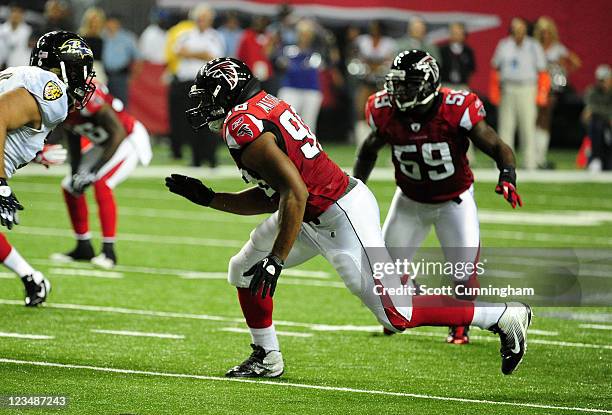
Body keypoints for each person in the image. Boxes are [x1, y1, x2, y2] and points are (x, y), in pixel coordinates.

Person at [165, 57, 532, 378]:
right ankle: (267, 356)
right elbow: (278, 194)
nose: (202, 104)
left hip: (340, 215)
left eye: (208, 95)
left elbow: (295, 193)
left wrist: (277, 260)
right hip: (311, 212)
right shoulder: (261, 107)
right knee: (243, 269)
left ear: (228, 92)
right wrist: (212, 198)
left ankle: (501, 316)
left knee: (397, 315)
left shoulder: (242, 126)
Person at [353, 49, 523, 344]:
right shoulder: (384, 110)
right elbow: (368, 150)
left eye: (409, 84)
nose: (399, 91)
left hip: (453, 201)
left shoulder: (456, 107)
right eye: (396, 83)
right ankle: (412, 299)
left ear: (429, 83)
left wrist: (507, 175)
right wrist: (356, 188)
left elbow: (497, 145)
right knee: (384, 272)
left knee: (463, 272)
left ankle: (461, 324)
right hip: (408, 201)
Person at [0, 30, 95, 306]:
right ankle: (32, 277)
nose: (83, 79)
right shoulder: (51, 91)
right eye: (78, 71)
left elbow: (12, 124)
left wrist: (33, 153)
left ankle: (31, 278)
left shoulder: (18, 74)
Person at [50, 80, 152, 268]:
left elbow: (117, 132)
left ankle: (109, 252)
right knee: (70, 186)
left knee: (101, 183)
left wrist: (95, 170)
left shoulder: (87, 95)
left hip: (128, 138)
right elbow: (73, 138)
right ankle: (84, 247)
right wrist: (75, 172)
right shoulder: (58, 101)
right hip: (105, 142)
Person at [491, 17, 548, 170]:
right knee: (506, 127)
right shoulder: (504, 45)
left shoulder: (533, 45)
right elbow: (495, 67)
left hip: (527, 88)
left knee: (528, 127)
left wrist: (541, 93)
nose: (518, 31)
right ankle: (504, 162)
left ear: (525, 29)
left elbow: (542, 69)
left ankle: (530, 163)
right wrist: (495, 90)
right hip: (508, 88)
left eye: (521, 28)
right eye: (515, 28)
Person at [173, 4, 225, 167]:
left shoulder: (215, 36)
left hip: (208, 84)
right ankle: (195, 158)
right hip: (189, 83)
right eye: (200, 18)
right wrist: (201, 54)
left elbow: (214, 58)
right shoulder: (186, 34)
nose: (202, 21)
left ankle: (210, 157)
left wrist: (192, 53)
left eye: (205, 18)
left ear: (210, 20)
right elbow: (179, 51)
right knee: (193, 121)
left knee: (211, 121)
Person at [533, 16, 581, 169]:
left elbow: (575, 62)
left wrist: (562, 71)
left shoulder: (557, 48)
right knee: (533, 119)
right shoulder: (533, 46)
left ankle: (541, 155)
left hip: (550, 88)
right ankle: (532, 155)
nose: (544, 35)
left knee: (544, 120)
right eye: (542, 32)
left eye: (547, 32)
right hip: (533, 85)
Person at [277, 19, 323, 133]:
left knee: (308, 125)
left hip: (311, 90)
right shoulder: (288, 49)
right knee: (285, 121)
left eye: (307, 33)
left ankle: (307, 150)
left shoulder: (316, 52)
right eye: (302, 33)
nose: (305, 36)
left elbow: (322, 66)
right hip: (290, 88)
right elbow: (280, 65)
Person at [102, 13, 141, 107]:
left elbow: (139, 58)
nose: (111, 25)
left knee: (121, 105)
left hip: (120, 76)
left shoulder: (127, 38)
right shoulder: (101, 36)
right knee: (103, 104)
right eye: (109, 23)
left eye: (114, 23)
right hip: (103, 75)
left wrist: (133, 76)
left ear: (118, 24)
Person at [583, 64, 612, 171]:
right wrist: (607, 115)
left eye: (604, 80)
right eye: (600, 80)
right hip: (599, 125)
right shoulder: (592, 91)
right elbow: (589, 109)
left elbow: (594, 109)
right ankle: (595, 159)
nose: (602, 83)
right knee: (597, 124)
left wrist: (600, 112)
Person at [439, 22, 475, 91]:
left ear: (464, 34)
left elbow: (471, 70)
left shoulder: (468, 51)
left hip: (462, 85)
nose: (457, 35)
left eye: (459, 33)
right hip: (446, 84)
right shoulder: (442, 50)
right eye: (454, 33)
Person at [79, 7, 107, 84]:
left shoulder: (103, 38)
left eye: (97, 21)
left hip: (99, 71)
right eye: (92, 21)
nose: (94, 23)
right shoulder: (81, 37)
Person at [0, 4, 33, 68]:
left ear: (23, 15)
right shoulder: (1, 29)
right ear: (9, 14)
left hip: (19, 64)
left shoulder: (29, 31)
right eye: (14, 11)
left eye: (19, 12)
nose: (16, 15)